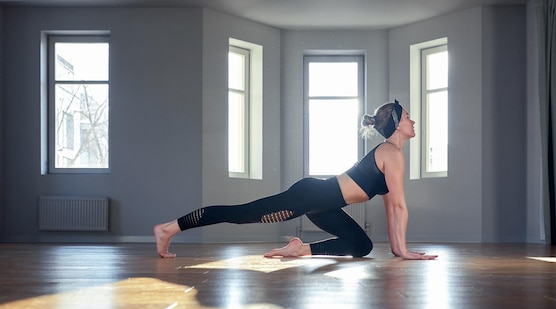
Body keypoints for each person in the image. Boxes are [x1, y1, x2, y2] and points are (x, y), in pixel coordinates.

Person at [153, 100, 437, 260]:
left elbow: (392, 207)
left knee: (362, 246)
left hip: (324, 204)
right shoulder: (391, 153)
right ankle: (168, 228)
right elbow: (399, 208)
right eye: (409, 117)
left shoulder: (389, 154)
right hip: (310, 196)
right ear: (397, 124)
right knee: (241, 214)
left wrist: (400, 250)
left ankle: (300, 249)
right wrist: (404, 252)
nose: (413, 122)